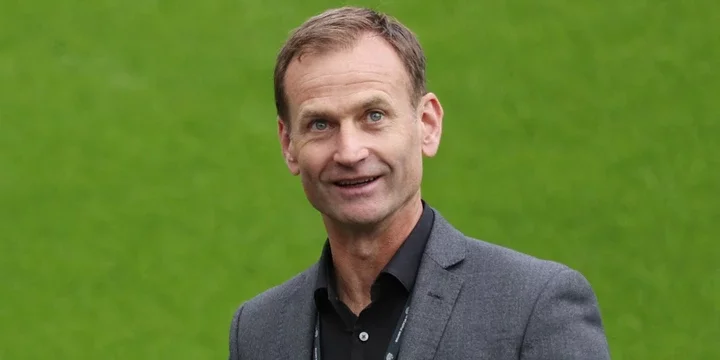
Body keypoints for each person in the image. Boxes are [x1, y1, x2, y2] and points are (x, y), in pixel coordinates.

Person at [228, 6, 610, 360]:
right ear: (288, 144)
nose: (349, 151)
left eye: (374, 115)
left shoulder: (533, 306)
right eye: (320, 124)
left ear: (427, 125)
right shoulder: (257, 331)